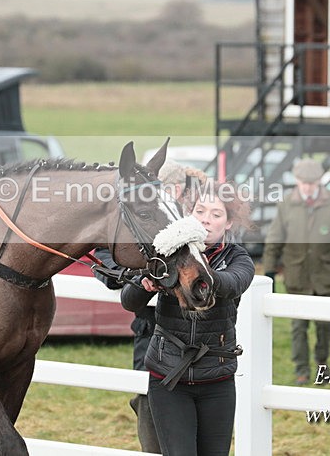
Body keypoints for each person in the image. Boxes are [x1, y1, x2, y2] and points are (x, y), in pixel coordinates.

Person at [120, 180, 254, 456]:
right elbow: (129, 302)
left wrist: (195, 272)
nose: (206, 221)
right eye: (200, 212)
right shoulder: (166, 253)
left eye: (216, 215)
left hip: (217, 380)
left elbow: (231, 284)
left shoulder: (238, 258)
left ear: (228, 223)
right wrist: (146, 282)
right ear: (188, 215)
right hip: (168, 378)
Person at [93, 159, 207, 454]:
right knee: (149, 410)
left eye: (165, 190)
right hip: (151, 328)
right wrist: (133, 276)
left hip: (199, 334)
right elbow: (104, 254)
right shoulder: (143, 214)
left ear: (179, 189)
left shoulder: (199, 216)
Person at [262, 158, 330, 385]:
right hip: (297, 276)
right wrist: (269, 271)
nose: (307, 187)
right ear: (297, 181)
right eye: (303, 182)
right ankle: (302, 370)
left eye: (312, 182)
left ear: (319, 181)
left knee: (325, 326)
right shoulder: (286, 204)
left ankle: (322, 365)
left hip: (326, 275)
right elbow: (274, 239)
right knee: (298, 328)